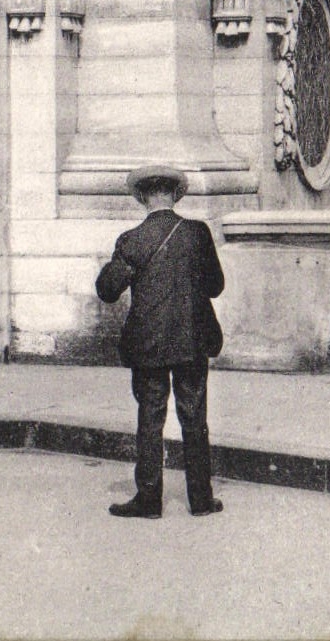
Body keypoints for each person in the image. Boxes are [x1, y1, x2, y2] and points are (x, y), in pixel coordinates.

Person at [96, 164, 225, 520]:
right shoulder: (198, 234)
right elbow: (216, 286)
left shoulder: (132, 240)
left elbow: (107, 291)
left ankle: (149, 500)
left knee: (150, 420)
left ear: (141, 197)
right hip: (192, 341)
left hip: (148, 344)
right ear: (175, 195)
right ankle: (200, 499)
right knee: (194, 419)